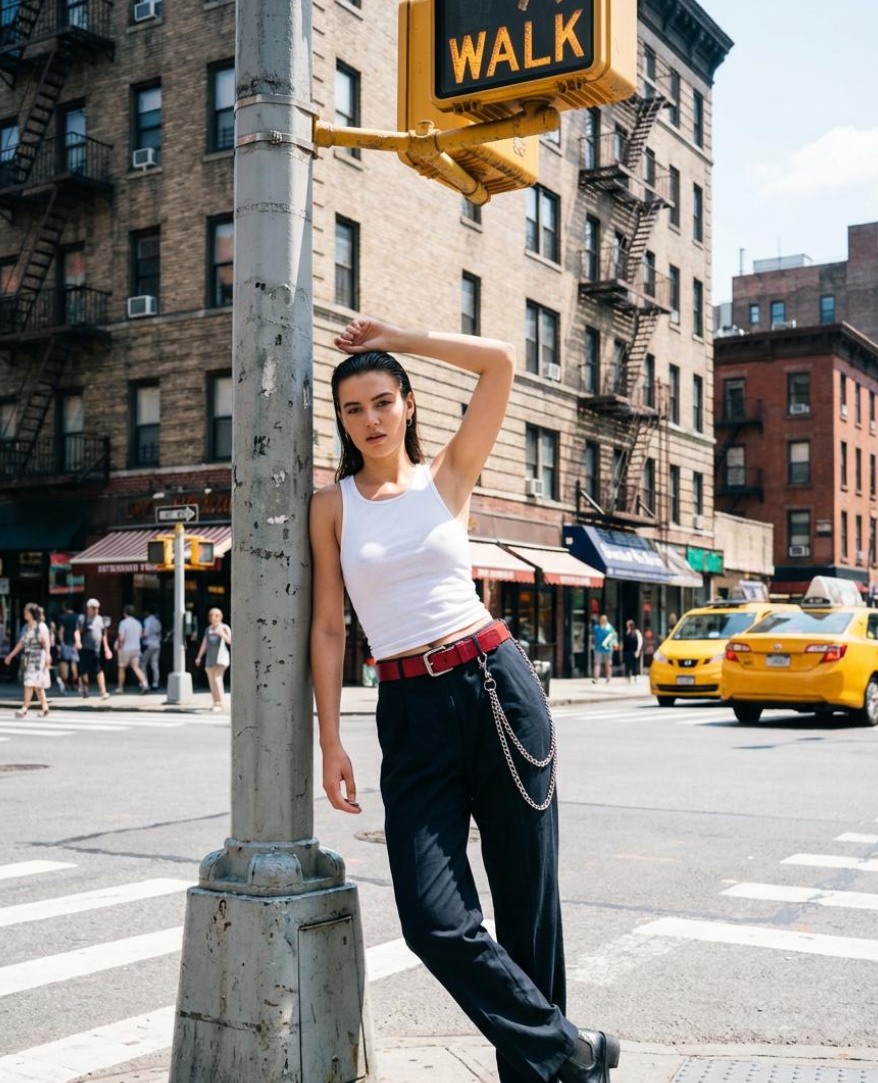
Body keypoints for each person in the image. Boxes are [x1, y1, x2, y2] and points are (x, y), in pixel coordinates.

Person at [310, 316, 619, 1083]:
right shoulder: (334, 505)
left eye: (383, 401)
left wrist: (396, 337)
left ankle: (545, 1072)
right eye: (353, 409)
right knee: (433, 920)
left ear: (408, 404)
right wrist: (331, 741)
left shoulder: (449, 473)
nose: (370, 420)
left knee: (527, 904)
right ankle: (571, 1054)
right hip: (407, 710)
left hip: (493, 685)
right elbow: (325, 627)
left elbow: (502, 361)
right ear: (341, 421)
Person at [3, 602, 51, 717]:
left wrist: (48, 656)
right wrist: (10, 656)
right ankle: (45, 708)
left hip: (38, 659)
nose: (24, 613)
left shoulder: (41, 626)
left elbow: (46, 642)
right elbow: (21, 644)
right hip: (29, 660)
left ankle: (24, 709)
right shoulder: (26, 627)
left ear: (30, 613)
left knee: (30, 684)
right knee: (37, 686)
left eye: (26, 611)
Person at [195, 608, 231, 711]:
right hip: (210, 658)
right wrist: (199, 656)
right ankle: (215, 702)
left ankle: (221, 702)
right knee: (211, 681)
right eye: (211, 615)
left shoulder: (224, 627)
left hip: (221, 658)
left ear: (221, 616)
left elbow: (231, 641)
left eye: (216, 615)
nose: (213, 617)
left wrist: (221, 633)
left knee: (217, 679)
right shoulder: (208, 629)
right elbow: (204, 644)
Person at [78, 598, 111, 700]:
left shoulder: (100, 619)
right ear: (88, 608)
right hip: (85, 648)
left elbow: (104, 634)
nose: (95, 610)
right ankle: (85, 690)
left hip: (96, 649)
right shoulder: (83, 618)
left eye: (96, 608)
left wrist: (106, 647)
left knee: (99, 669)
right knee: (84, 671)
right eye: (93, 608)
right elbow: (77, 631)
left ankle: (103, 692)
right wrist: (78, 642)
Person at [115, 604, 149, 694]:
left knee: (122, 668)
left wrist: (118, 646)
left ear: (125, 613)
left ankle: (120, 688)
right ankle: (145, 684)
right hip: (136, 648)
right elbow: (142, 635)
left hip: (125, 648)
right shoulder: (138, 623)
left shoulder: (123, 623)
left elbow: (121, 637)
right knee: (136, 667)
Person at [58, 601, 81, 693]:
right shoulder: (78, 617)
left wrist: (61, 642)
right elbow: (78, 631)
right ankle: (75, 684)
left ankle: (67, 684)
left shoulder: (63, 617)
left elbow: (61, 632)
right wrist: (78, 642)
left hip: (66, 643)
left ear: (65, 607)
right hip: (74, 643)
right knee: (74, 663)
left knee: (65, 663)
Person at [141, 606, 163, 690]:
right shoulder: (157, 621)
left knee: (143, 663)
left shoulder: (147, 621)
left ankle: (145, 682)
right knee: (154, 664)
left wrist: (140, 635)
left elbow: (145, 634)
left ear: (147, 612)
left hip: (149, 644)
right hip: (157, 644)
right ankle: (155, 683)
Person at [592, 614, 617, 684]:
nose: (603, 621)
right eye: (601, 620)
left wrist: (614, 644)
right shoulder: (596, 628)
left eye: (604, 620)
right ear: (600, 620)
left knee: (608, 664)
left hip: (608, 649)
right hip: (598, 648)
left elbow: (614, 637)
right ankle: (596, 678)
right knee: (597, 663)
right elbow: (593, 636)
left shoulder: (610, 628)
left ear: (606, 621)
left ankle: (608, 677)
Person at [621, 619, 643, 683]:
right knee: (628, 664)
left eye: (628, 625)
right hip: (627, 651)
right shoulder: (626, 633)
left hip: (634, 650)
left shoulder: (637, 632)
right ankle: (628, 677)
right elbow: (624, 642)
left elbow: (640, 641)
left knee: (635, 664)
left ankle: (635, 676)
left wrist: (638, 650)